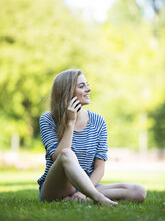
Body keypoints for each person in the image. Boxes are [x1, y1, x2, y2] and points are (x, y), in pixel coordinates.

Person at [37, 69, 146, 205]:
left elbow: (100, 167)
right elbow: (58, 157)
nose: (89, 89)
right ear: (67, 92)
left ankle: (82, 197)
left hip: (87, 186)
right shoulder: (48, 119)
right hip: (56, 188)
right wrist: (70, 123)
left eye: (87, 85)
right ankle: (98, 198)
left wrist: (83, 192)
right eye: (82, 86)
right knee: (66, 153)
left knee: (138, 191)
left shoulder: (98, 121)